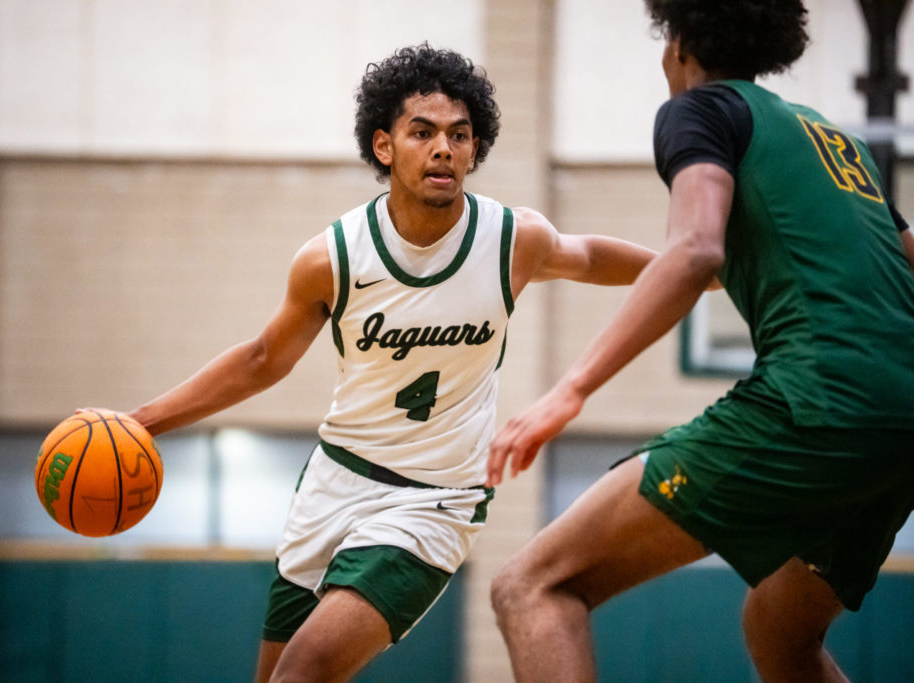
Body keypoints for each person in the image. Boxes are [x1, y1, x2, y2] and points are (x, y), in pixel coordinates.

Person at [121, 44, 655, 682]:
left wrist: (695, 270)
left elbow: (589, 255)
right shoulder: (333, 257)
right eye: (422, 132)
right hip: (333, 484)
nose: (444, 149)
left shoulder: (512, 239)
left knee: (305, 673)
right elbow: (263, 358)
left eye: (461, 136)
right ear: (384, 146)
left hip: (434, 500)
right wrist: (141, 421)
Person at [487, 2, 914, 682]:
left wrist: (568, 391)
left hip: (817, 397)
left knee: (532, 584)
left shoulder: (702, 108)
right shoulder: (834, 141)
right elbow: (904, 257)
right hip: (901, 429)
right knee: (781, 631)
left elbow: (692, 250)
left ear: (679, 46)